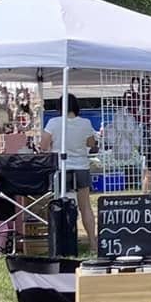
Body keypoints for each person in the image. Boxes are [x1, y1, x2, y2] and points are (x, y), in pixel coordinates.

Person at [49, 95, 99, 237]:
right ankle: (92, 241)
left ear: (59, 107)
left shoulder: (53, 123)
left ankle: (62, 239)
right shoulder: (85, 123)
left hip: (61, 167)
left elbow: (44, 145)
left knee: (60, 204)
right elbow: (91, 144)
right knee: (86, 207)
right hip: (81, 166)